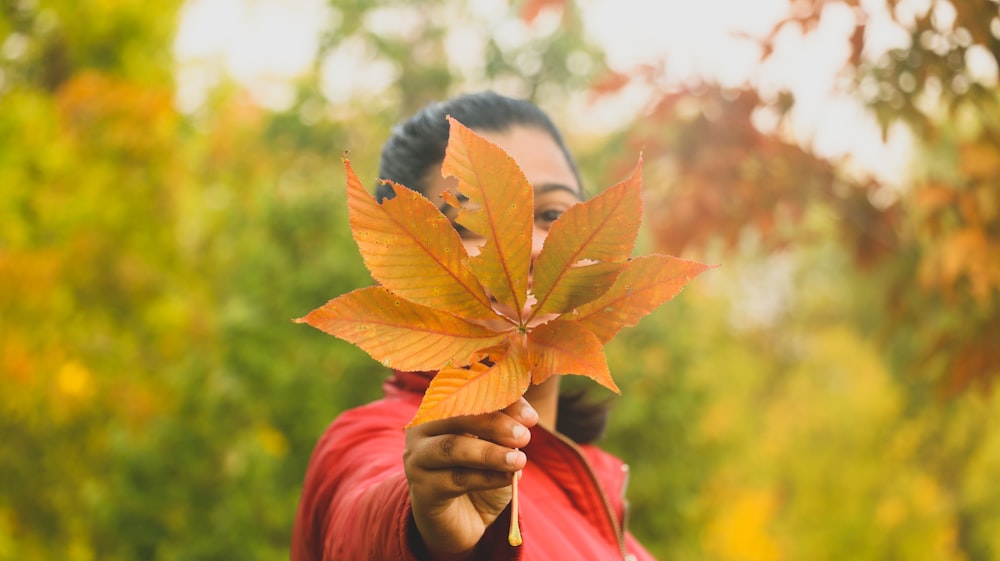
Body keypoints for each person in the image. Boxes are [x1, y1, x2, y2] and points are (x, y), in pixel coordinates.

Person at [291, 91, 655, 561]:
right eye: (470, 221)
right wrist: (428, 529)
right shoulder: (373, 442)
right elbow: (363, 515)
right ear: (408, 271)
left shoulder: (604, 506)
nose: (529, 247)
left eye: (552, 215)